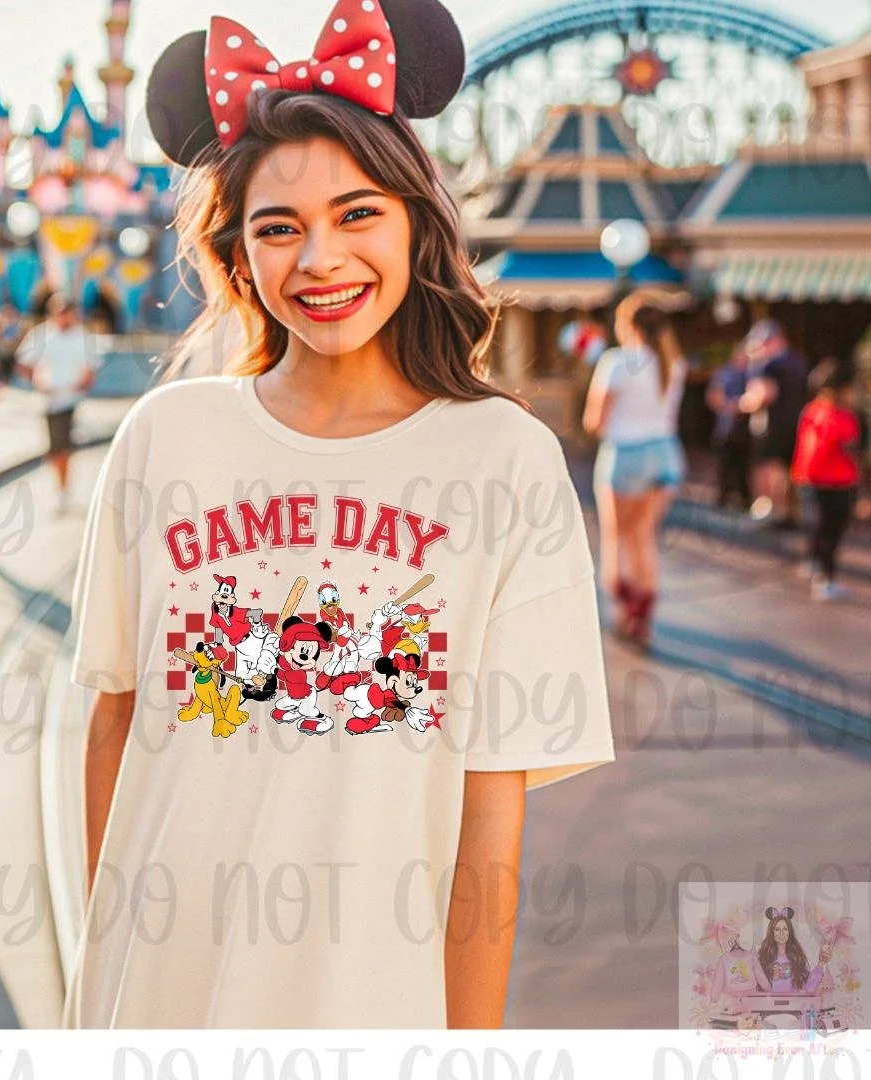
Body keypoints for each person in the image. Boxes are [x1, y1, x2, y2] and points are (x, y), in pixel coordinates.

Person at [61, 0, 616, 1030]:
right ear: (239, 257)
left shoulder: (506, 465)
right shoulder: (162, 440)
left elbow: (489, 820)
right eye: (279, 228)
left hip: (368, 1010)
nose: (319, 258)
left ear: (417, 220)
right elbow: (115, 722)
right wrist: (101, 988)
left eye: (358, 213)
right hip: (157, 1004)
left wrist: (468, 1050)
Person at [582, 291, 687, 649]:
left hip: (625, 454)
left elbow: (595, 421)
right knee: (644, 538)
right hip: (665, 455)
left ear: (627, 326)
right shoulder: (674, 364)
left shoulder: (616, 363)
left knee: (616, 538)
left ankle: (624, 609)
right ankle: (643, 615)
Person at [14, 293, 101, 511]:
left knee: (63, 445)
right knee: (53, 447)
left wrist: (81, 384)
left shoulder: (81, 336)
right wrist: (37, 380)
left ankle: (63, 488)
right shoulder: (42, 335)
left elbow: (91, 368)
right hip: (47, 399)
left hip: (69, 399)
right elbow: (23, 363)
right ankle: (60, 483)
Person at [790, 367, 864, 601]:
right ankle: (825, 578)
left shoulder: (812, 411)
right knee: (831, 530)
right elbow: (849, 448)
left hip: (812, 479)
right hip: (835, 481)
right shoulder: (839, 416)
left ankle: (814, 565)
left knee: (820, 527)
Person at [738, 318, 809, 528]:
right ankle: (790, 512)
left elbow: (762, 395)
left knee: (769, 469)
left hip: (771, 426)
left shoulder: (769, 365)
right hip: (796, 423)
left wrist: (740, 403)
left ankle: (771, 511)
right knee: (789, 470)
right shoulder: (799, 361)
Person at [705, 346, 752, 511]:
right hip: (726, 427)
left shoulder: (752, 373)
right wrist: (730, 407)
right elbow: (713, 396)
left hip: (747, 429)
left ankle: (745, 498)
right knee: (725, 463)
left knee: (745, 465)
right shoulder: (724, 373)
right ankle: (724, 496)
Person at [757, 908, 830, 995]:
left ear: (789, 932)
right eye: (777, 929)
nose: (781, 933)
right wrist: (769, 979)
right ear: (772, 932)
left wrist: (821, 964)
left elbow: (809, 989)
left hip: (794, 1006)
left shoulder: (797, 957)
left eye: (785, 929)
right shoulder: (764, 958)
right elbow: (757, 990)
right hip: (770, 1007)